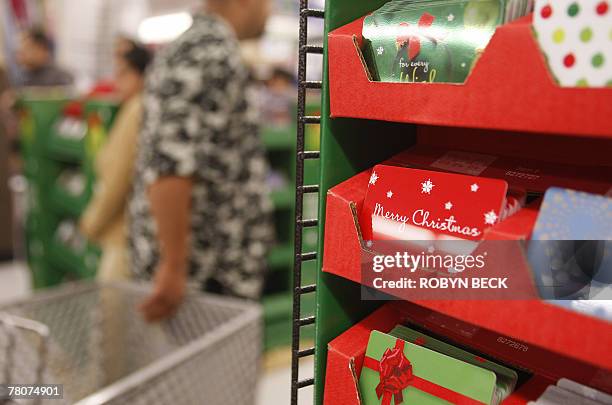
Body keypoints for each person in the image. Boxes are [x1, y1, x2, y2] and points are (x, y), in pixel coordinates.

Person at [130, 0, 274, 322]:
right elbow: (170, 164)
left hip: (204, 271)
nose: (270, 10)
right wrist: (174, 265)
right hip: (205, 277)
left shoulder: (196, 47)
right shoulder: (209, 52)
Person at [80, 43, 153, 282]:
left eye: (123, 73)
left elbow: (118, 178)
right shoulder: (139, 107)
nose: (116, 81)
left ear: (141, 75)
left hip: (123, 236)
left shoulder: (136, 109)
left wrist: (91, 223)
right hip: (134, 234)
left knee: (116, 313)